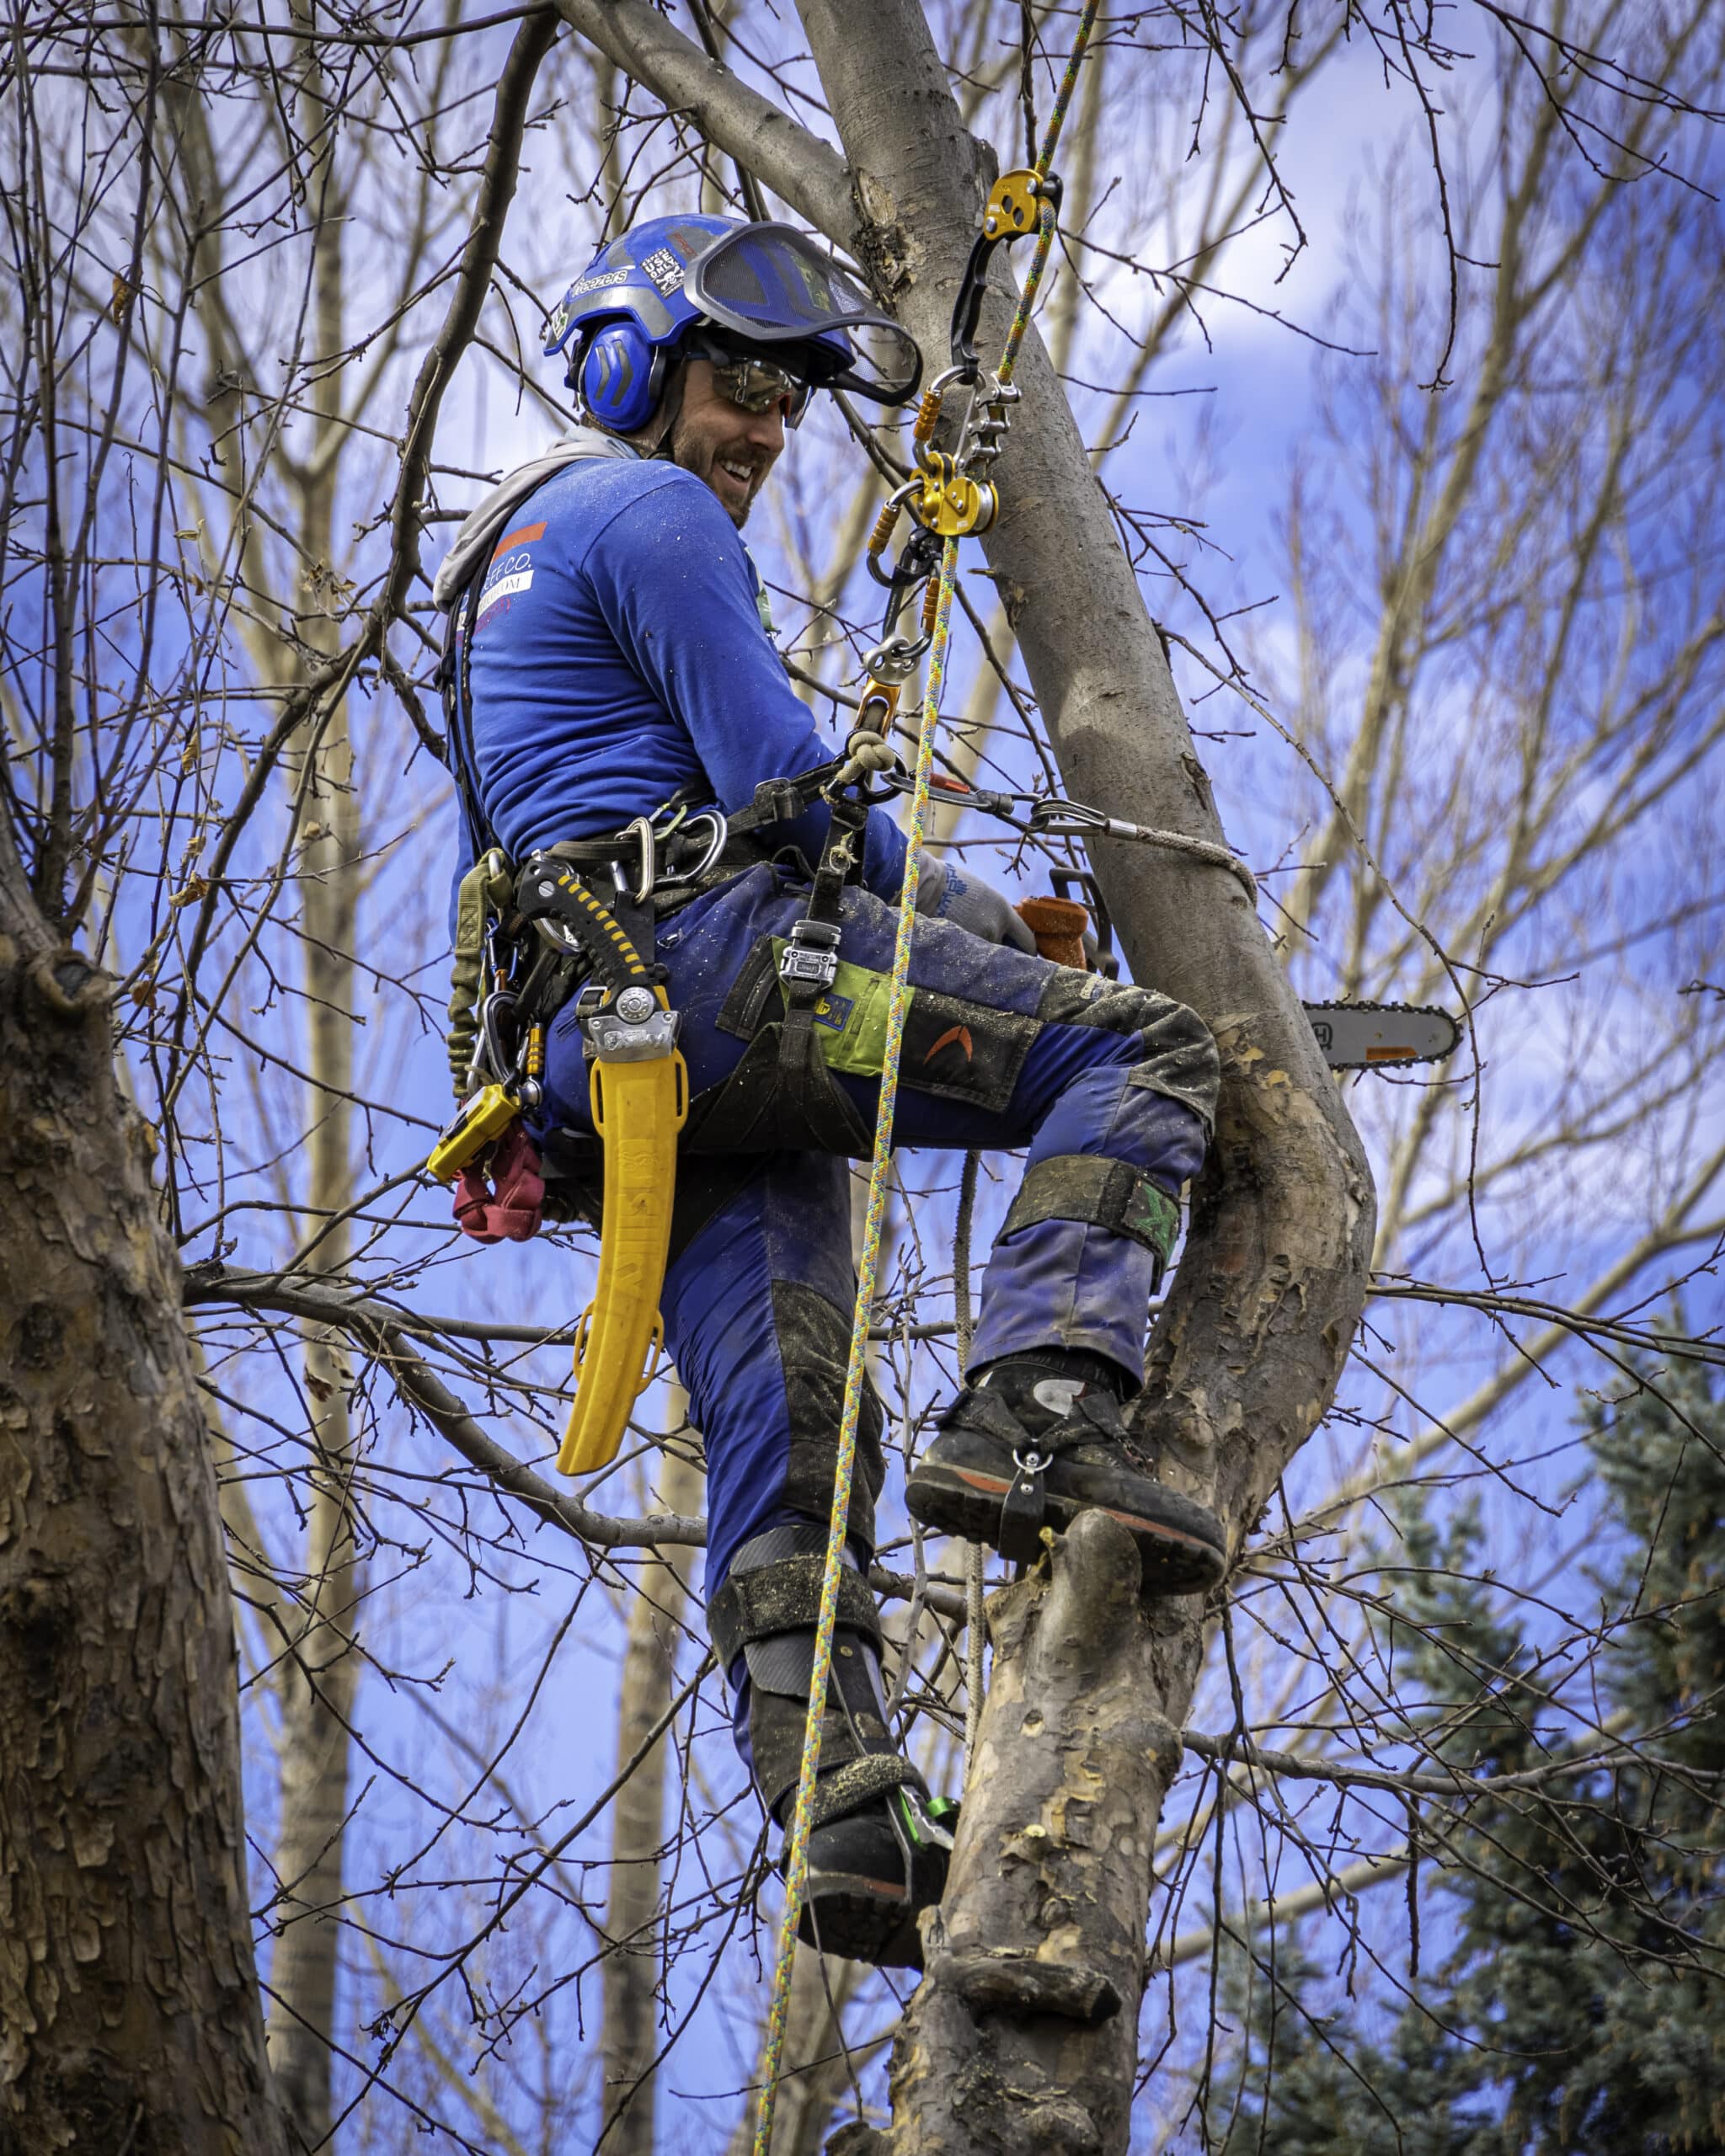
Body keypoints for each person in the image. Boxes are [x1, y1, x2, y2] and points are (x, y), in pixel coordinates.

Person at [433, 215, 1226, 1969]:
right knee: (1136, 1045)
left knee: (794, 1406)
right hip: (715, 978)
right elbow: (784, 789)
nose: (764, 437)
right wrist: (952, 910)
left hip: (620, 1054)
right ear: (631, 366)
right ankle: (1038, 1402)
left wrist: (941, 921)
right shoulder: (646, 513)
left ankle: (846, 1807)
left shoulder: (498, 556)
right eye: (739, 390)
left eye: (788, 411)